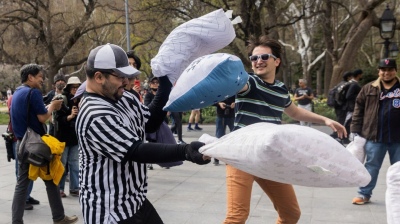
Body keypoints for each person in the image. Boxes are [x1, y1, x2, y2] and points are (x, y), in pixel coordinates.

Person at [75, 43, 209, 224]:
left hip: (135, 200)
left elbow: (151, 122)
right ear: (99, 77)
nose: (126, 82)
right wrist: (185, 151)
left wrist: (165, 80)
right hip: (110, 210)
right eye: (120, 76)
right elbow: (136, 151)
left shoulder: (124, 96)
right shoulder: (94, 113)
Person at [223, 36, 346, 224]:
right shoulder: (249, 82)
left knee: (291, 214)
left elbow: (295, 112)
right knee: (236, 217)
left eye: (264, 57)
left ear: (276, 61)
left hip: (269, 157)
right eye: (254, 58)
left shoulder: (281, 89)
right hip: (241, 155)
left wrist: (325, 120)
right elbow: (237, 83)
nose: (258, 61)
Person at [11, 64, 78, 224]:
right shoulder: (33, 92)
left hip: (23, 143)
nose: (42, 80)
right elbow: (43, 117)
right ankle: (56, 218)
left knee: (45, 180)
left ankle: (58, 217)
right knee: (45, 180)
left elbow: (33, 115)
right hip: (36, 145)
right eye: (40, 76)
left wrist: (48, 107)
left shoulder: (18, 92)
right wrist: (53, 107)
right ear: (31, 77)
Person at [350, 58, 400, 205]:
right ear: (379, 71)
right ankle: (364, 194)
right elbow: (358, 110)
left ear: (395, 71)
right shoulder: (368, 88)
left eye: (390, 69)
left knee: (399, 169)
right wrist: (355, 129)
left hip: (398, 138)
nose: (387, 73)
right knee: (371, 166)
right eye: (383, 70)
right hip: (374, 136)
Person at [7, 95, 40, 211]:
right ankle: (22, 200)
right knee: (21, 172)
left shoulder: (19, 97)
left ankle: (27, 196)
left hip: (27, 139)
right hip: (20, 139)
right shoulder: (14, 99)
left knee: (29, 170)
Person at [54, 76, 82, 198]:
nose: (75, 90)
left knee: (75, 164)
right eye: (73, 87)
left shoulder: (81, 100)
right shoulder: (63, 99)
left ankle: (75, 188)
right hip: (63, 137)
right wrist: (70, 116)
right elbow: (58, 119)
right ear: (69, 88)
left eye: (77, 87)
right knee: (62, 164)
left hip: (75, 137)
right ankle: (59, 188)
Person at [330, 71, 353, 140]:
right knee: (343, 121)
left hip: (337, 105)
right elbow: (347, 96)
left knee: (340, 119)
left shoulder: (340, 84)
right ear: (348, 77)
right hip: (342, 105)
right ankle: (338, 134)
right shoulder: (347, 85)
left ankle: (337, 133)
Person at [342, 69, 363, 144]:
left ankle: (345, 136)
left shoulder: (353, 83)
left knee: (349, 121)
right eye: (361, 74)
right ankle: (344, 136)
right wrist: (359, 97)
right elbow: (348, 96)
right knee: (348, 122)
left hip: (352, 106)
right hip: (351, 107)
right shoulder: (354, 84)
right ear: (359, 75)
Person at [213, 95, 235, 165]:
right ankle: (216, 158)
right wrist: (219, 103)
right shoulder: (218, 88)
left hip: (232, 115)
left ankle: (231, 157)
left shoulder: (235, 87)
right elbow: (211, 100)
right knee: (219, 137)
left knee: (235, 137)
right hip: (221, 116)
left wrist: (235, 103)